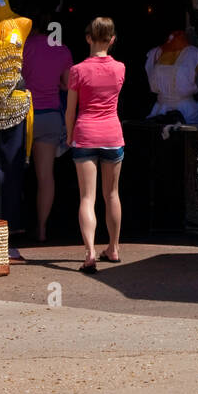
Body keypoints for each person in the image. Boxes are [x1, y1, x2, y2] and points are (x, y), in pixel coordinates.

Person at [65, 17, 125, 272]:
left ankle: (89, 252)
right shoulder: (120, 68)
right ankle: (113, 248)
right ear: (112, 40)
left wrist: (69, 135)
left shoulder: (77, 70)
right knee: (112, 194)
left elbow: (70, 110)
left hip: (85, 133)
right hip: (112, 134)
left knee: (87, 197)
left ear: (88, 38)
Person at [22, 2, 73, 243]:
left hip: (24, 116)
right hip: (51, 116)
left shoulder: (24, 46)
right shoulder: (63, 51)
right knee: (46, 176)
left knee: (14, 172)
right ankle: (42, 229)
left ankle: (11, 227)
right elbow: (67, 84)